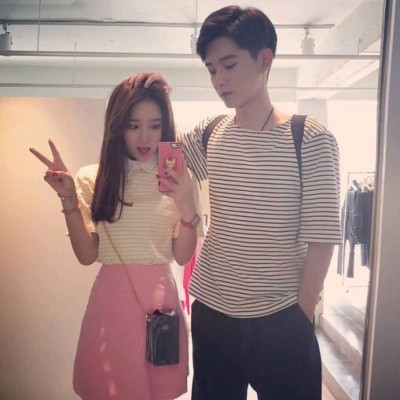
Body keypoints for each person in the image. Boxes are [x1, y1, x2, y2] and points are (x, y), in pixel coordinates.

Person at [130, 5, 342, 400]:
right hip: (214, 315)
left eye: (229, 65)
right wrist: (145, 100)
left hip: (282, 318)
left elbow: (323, 237)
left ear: (264, 59)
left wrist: (301, 312)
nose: (219, 80)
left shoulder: (310, 138)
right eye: (212, 70)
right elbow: (153, 158)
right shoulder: (210, 133)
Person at [29, 79, 203, 400]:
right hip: (111, 301)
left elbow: (182, 256)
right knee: (108, 386)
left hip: (160, 303)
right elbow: (86, 255)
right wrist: (68, 199)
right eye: (133, 125)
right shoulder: (92, 177)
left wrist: (187, 207)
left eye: (155, 126)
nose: (145, 137)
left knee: (155, 389)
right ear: (117, 126)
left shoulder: (179, 179)